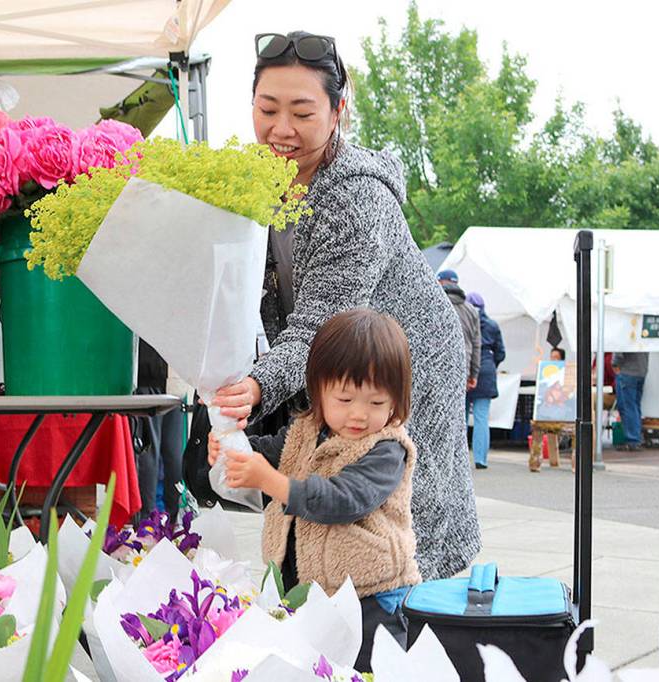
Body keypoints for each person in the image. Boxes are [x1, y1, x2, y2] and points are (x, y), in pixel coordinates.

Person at [213, 31, 480, 580]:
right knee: (320, 492)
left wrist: (261, 384)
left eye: (301, 112)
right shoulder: (263, 185)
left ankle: (402, 619)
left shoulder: (356, 196)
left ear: (338, 111)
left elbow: (320, 319)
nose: (280, 129)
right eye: (267, 109)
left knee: (396, 515)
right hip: (334, 367)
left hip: (402, 365)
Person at [209, 310, 420, 670]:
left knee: (366, 672)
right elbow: (265, 453)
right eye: (345, 399)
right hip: (305, 593)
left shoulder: (386, 448)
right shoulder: (306, 432)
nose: (359, 415)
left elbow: (343, 499)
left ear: (396, 402)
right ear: (318, 390)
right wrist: (230, 449)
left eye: (376, 403)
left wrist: (270, 481)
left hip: (370, 599)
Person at [134, 340, 185, 522]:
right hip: (175, 375)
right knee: (173, 452)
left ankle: (147, 521)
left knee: (147, 451)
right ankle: (172, 520)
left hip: (146, 372)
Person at [465, 292, 505, 469]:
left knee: (461, 418)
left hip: (466, 368)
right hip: (487, 369)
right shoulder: (492, 325)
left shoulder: (463, 319)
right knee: (482, 418)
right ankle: (481, 459)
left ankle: (461, 461)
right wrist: (491, 364)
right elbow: (501, 352)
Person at [438, 269, 481, 391]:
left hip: (437, 367)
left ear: (440, 282)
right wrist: (474, 374)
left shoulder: (434, 306)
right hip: (462, 366)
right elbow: (476, 345)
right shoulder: (471, 310)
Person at [612, 352, 648, 451]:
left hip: (627, 371)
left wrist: (615, 364)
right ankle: (635, 438)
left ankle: (632, 440)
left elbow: (619, 350)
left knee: (627, 407)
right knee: (635, 406)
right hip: (641, 371)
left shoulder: (625, 335)